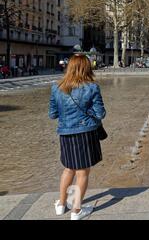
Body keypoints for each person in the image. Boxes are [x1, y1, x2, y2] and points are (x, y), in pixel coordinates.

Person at [49, 55, 106, 220]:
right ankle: (76, 211)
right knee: (82, 172)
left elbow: (52, 114)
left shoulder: (56, 87)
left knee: (68, 168)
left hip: (65, 134)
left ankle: (61, 204)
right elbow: (100, 113)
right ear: (87, 68)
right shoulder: (92, 88)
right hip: (85, 134)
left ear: (69, 67)